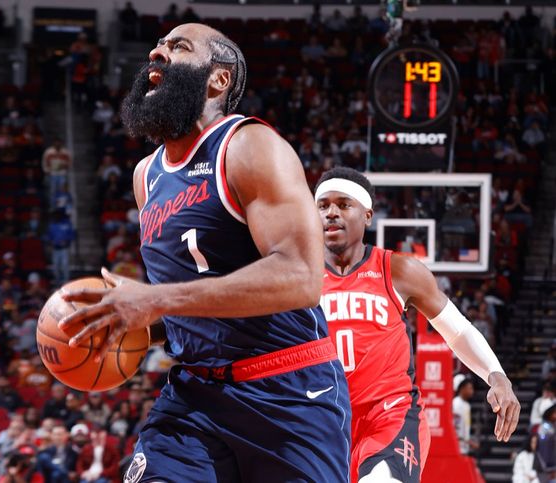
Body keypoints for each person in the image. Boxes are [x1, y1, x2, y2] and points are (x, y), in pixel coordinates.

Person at [59, 23, 350, 482]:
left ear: (219, 78)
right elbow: (190, 305)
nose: (157, 53)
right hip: (195, 396)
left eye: (178, 46)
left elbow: (301, 278)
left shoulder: (249, 147)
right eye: (157, 45)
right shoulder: (146, 176)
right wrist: (126, 324)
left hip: (289, 393)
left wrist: (156, 299)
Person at [315, 167, 519, 482]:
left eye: (343, 204)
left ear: (367, 215)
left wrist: (497, 376)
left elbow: (458, 331)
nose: (331, 213)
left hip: (389, 415)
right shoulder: (298, 277)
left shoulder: (398, 270)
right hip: (323, 418)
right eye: (323, 205)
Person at [452, 375, 478, 455]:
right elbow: (455, 428)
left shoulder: (466, 405)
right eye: (470, 388)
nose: (472, 391)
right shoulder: (456, 404)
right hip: (457, 448)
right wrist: (469, 442)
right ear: (462, 388)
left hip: (464, 447)